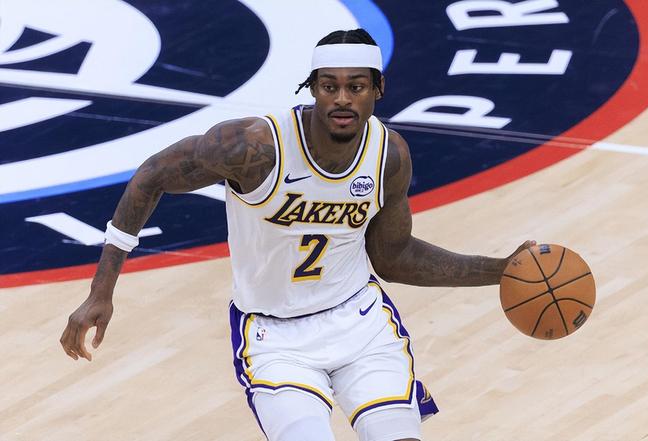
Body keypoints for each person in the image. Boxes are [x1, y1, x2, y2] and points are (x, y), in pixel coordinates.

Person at [61, 28, 534, 441]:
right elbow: (152, 175)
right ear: (312, 89)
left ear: (378, 89)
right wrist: (101, 291)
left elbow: (393, 257)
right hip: (274, 337)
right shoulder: (253, 148)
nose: (342, 98)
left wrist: (501, 270)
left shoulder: (388, 155)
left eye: (356, 86)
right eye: (330, 86)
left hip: (360, 323)